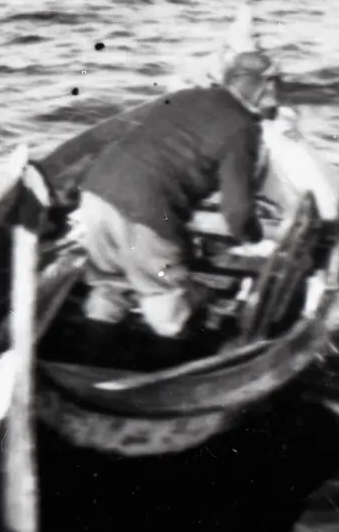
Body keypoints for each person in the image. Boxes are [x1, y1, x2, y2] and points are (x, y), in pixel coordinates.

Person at [75, 49, 283, 338]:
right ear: (263, 86)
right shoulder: (242, 128)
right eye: (273, 85)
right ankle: (166, 371)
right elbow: (237, 209)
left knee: (109, 284)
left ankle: (92, 355)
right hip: (144, 212)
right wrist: (251, 237)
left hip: (96, 193)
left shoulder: (187, 97)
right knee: (165, 298)